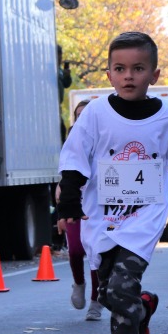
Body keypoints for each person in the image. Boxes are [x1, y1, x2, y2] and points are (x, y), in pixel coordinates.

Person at [57, 32, 168, 334]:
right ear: (109, 72)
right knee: (109, 294)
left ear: (154, 73)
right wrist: (68, 196)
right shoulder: (95, 113)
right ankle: (145, 305)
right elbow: (74, 156)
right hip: (102, 218)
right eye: (120, 69)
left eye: (138, 68)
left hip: (144, 217)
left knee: (120, 288)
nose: (128, 76)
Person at [58, 99, 103, 320]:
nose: (82, 118)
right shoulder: (72, 140)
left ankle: (96, 302)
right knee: (75, 250)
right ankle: (78, 283)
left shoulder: (106, 138)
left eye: (86, 114)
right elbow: (65, 176)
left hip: (99, 206)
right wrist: (62, 205)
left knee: (96, 254)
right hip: (76, 204)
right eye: (78, 115)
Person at [57, 44, 73, 143]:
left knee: (62, 129)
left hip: (58, 106)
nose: (60, 60)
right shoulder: (49, 68)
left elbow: (66, 84)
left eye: (60, 57)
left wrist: (67, 76)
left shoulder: (60, 70)